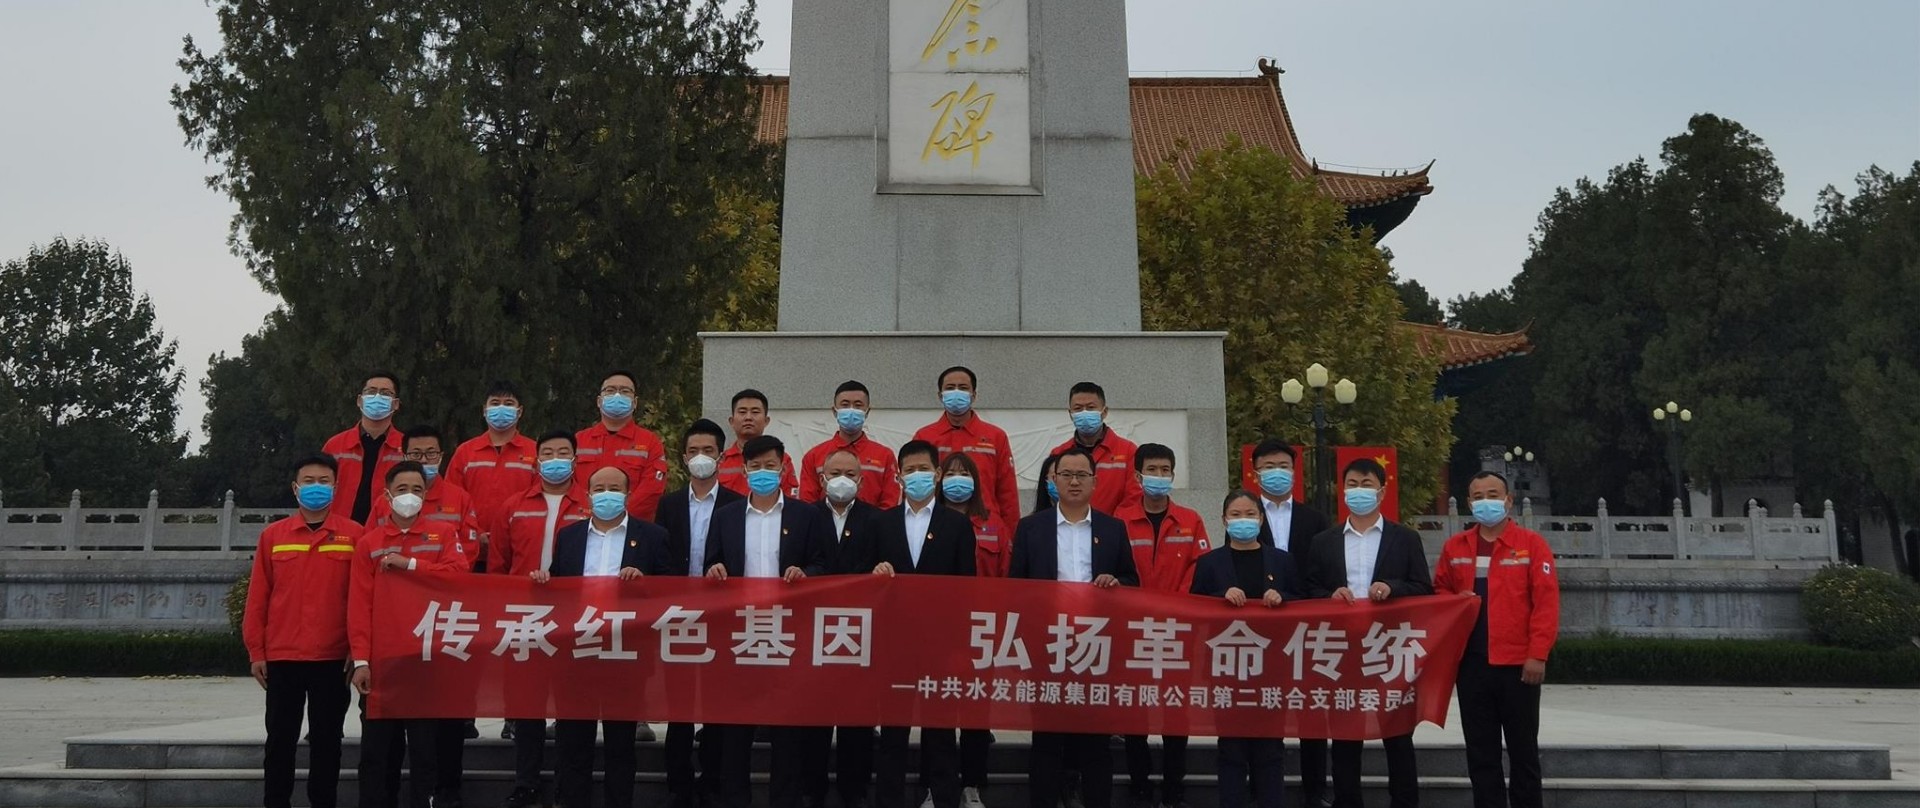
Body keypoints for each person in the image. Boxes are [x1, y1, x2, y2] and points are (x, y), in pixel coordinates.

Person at [704, 435, 833, 808]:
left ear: (783, 468)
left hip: (787, 632)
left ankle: (785, 799)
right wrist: (715, 569)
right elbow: (712, 562)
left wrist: (805, 573)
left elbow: (822, 564)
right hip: (739, 633)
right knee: (735, 730)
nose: (763, 473)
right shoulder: (726, 516)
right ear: (744, 471)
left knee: (787, 731)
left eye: (770, 466)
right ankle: (734, 799)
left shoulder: (806, 515)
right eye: (756, 466)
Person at [537, 465, 676, 808]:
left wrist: (644, 583)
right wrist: (543, 581)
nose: (607, 494)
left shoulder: (653, 536)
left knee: (620, 744)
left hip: (625, 651)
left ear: (627, 494)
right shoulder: (570, 536)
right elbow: (558, 584)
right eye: (599, 489)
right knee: (573, 741)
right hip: (577, 650)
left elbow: (672, 589)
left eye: (614, 488)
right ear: (588, 495)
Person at [1009, 447, 1138, 808]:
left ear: (1095, 482)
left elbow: (1132, 580)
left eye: (1082, 475)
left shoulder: (1113, 529)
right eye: (1066, 475)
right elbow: (1016, 586)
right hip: (1047, 644)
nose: (1074, 482)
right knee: (1047, 738)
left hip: (1096, 645)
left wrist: (1116, 583)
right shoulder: (1031, 528)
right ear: (1053, 481)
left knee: (1095, 739)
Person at [1302, 458, 1432, 808]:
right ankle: (1347, 801)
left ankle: (1404, 802)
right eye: (1353, 484)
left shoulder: (1405, 538)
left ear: (1382, 491)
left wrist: (1392, 587)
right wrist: (1330, 596)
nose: (1359, 491)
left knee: (1398, 735)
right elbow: (1309, 589)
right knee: (1346, 735)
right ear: (1343, 491)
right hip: (1341, 650)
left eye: (1367, 484)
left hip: (1389, 648)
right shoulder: (1324, 541)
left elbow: (1423, 587)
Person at [348, 461, 473, 808]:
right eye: (402, 489)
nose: (410, 496)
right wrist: (361, 661)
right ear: (387, 496)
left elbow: (459, 576)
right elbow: (359, 606)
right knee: (377, 754)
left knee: (425, 753)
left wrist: (412, 565)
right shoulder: (369, 543)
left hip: (427, 661)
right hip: (383, 664)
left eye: (417, 489)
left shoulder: (443, 534)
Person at [1433, 471, 1560, 808]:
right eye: (1478, 496)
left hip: (1518, 666)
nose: (1485, 502)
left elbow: (1546, 604)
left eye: (1493, 494)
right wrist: (1455, 599)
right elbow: (1439, 592)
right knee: (1481, 755)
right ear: (1468, 502)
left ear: (1508, 501)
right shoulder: (1455, 547)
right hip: (1471, 666)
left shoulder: (1531, 545)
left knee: (1523, 753)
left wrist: (1537, 654)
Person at [242, 454, 361, 808]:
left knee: (327, 741)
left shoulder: (355, 535)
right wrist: (256, 651)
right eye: (308, 481)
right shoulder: (273, 536)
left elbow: (362, 598)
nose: (316, 488)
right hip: (283, 656)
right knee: (280, 740)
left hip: (333, 657)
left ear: (335, 488)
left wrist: (358, 649)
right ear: (295, 489)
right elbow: (258, 598)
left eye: (324, 481)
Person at [869, 440, 976, 808]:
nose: (917, 476)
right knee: (892, 735)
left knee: (941, 734)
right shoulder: (880, 523)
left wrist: (961, 648)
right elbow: (864, 580)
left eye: (924, 470)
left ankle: (944, 799)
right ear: (899, 476)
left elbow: (967, 589)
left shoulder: (957, 525)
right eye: (910, 470)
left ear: (938, 474)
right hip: (893, 644)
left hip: (941, 646)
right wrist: (876, 573)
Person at [488, 430, 590, 808]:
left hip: (575, 616)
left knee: (571, 705)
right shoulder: (513, 506)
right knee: (526, 704)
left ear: (575, 459)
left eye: (564, 452)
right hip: (525, 615)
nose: (555, 459)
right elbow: (498, 564)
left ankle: (568, 786)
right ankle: (526, 783)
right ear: (536, 460)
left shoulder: (590, 505)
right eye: (548, 453)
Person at [1114, 444, 1210, 808]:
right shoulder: (1120, 519)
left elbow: (1200, 568)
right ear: (1138, 476)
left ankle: (1173, 788)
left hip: (1177, 628)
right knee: (1134, 710)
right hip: (1132, 629)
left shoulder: (1190, 520)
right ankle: (1139, 785)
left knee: (1175, 710)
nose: (1159, 476)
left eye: (1165, 469)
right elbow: (1115, 567)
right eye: (1151, 469)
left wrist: (1176, 606)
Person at [1189, 491, 1299, 808]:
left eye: (1250, 514)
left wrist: (1282, 598)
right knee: (1232, 749)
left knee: (1270, 749)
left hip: (1272, 667)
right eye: (1235, 515)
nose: (1243, 520)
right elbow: (1193, 608)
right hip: (1227, 667)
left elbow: (1304, 601)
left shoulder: (1282, 560)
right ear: (1224, 521)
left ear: (1261, 519)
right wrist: (1220, 596)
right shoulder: (1210, 563)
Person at [655, 419, 741, 808]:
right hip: (679, 614)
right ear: (683, 457)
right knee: (680, 703)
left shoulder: (736, 504)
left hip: (721, 614)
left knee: (717, 702)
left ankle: (712, 780)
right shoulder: (669, 504)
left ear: (721, 456)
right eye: (693, 451)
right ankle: (679, 783)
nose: (700, 457)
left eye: (708, 450)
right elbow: (660, 555)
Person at [1247, 438, 1332, 805]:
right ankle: (1263, 789)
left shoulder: (1315, 520)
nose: (1276, 473)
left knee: (1312, 710)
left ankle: (1315, 790)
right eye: (1268, 467)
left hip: (1306, 627)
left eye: (1282, 466)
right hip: (1259, 628)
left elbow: (1322, 571)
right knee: (1263, 710)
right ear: (1255, 473)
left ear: (1295, 473)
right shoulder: (1244, 516)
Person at [803, 446, 880, 808]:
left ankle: (854, 790)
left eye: (850, 475)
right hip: (812, 629)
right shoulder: (805, 516)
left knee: (856, 716)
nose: (842, 481)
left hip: (859, 630)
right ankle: (812, 790)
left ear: (861, 482)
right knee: (814, 715)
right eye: (835, 474)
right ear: (822, 479)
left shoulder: (876, 520)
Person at [937, 450, 1004, 808]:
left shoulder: (993, 525)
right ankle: (938, 786)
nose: (957, 480)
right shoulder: (928, 521)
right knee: (940, 711)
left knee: (977, 711)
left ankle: (972, 785)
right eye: (950, 473)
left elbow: (1008, 577)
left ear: (976, 481)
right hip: (939, 629)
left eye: (964, 473)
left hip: (983, 626)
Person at [914, 366, 1022, 542]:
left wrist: (1012, 540)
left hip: (986, 529)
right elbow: (914, 489)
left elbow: (1007, 494)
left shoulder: (996, 437)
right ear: (940, 395)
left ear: (974, 395)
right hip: (936, 526)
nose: (956, 392)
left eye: (963, 388)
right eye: (950, 388)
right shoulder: (924, 437)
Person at [444, 380, 539, 556]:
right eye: (495, 403)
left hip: (518, 548)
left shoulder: (534, 452)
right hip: (470, 549)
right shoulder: (465, 452)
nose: (501, 408)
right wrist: (476, 532)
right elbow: (452, 498)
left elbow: (538, 501)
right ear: (484, 410)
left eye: (508, 404)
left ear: (519, 412)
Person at [574, 370, 670, 521]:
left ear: (635, 402)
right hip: (583, 524)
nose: (617, 395)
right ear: (599, 401)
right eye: (610, 390)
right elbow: (569, 486)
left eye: (625, 391)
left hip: (632, 526)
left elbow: (652, 490)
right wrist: (589, 516)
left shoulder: (650, 442)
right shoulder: (579, 440)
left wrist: (619, 518)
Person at [320, 371, 407, 525]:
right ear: (359, 401)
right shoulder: (335, 445)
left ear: (396, 404)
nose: (377, 397)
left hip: (388, 532)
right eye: (371, 391)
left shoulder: (406, 448)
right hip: (340, 531)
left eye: (386, 393)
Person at [799, 380, 901, 510]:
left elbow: (890, 502)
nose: (851, 410)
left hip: (874, 522)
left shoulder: (885, 456)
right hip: (824, 522)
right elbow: (807, 504)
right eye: (845, 405)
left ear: (867, 411)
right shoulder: (813, 456)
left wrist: (876, 521)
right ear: (834, 411)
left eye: (858, 405)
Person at [1048, 382, 1142, 516]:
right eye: (1078, 408)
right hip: (1070, 526)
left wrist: (1110, 525)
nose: (1084, 413)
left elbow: (1133, 498)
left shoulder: (1128, 452)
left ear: (1104, 412)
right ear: (1070, 414)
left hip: (1114, 527)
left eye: (1090, 408)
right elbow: (1050, 499)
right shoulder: (1058, 454)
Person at [717, 389, 801, 498]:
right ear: (732, 421)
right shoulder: (721, 461)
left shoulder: (782, 459)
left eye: (755, 412)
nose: (748, 417)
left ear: (766, 421)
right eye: (742, 412)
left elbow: (790, 499)